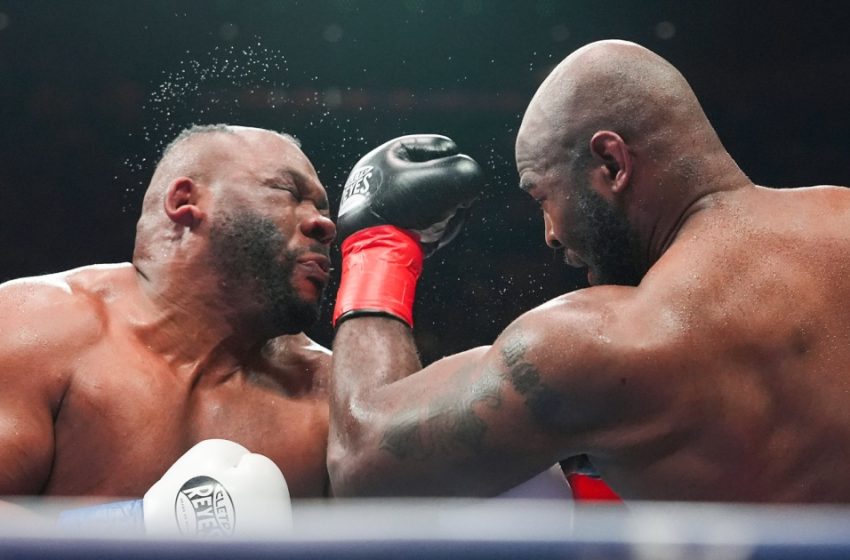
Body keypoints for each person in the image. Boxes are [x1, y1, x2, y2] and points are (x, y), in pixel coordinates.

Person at [326, 39, 850, 502]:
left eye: (542, 195)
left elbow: (360, 459)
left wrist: (378, 246)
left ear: (612, 165)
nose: (550, 233)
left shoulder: (597, 344)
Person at [0, 124, 336, 500]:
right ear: (183, 201)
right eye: (288, 192)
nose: (324, 224)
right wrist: (132, 528)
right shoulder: (35, 326)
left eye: (323, 208)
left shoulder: (327, 395)